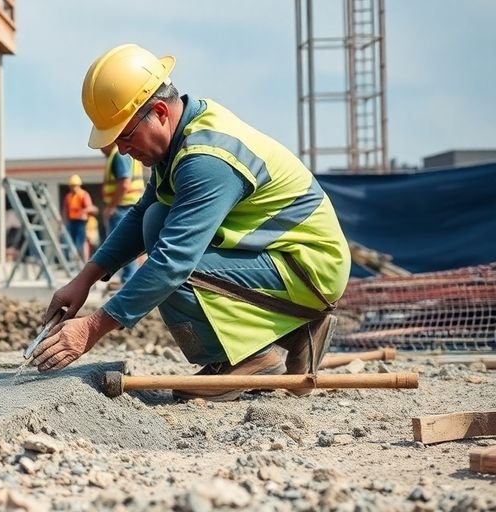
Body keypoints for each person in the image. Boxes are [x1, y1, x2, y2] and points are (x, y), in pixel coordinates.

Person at [31, 44, 350, 402]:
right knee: (154, 219)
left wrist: (92, 328)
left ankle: (248, 358)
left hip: (309, 267)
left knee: (166, 255)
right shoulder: (182, 136)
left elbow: (173, 263)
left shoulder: (206, 159)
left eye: (125, 136)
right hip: (287, 262)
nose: (122, 150)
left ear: (161, 112)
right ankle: (295, 333)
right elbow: (142, 213)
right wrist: (84, 279)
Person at [100, 144, 145, 283]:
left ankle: (128, 281)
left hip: (123, 207)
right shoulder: (121, 154)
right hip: (128, 206)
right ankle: (129, 280)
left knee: (124, 247)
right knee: (129, 247)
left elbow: (124, 182)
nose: (100, 150)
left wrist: (111, 206)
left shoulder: (119, 154)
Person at [61, 174, 96, 258]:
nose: (73, 188)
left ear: (79, 186)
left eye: (75, 186)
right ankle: (72, 258)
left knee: (80, 242)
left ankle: (80, 259)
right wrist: (63, 220)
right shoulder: (68, 196)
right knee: (71, 241)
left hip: (81, 222)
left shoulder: (83, 195)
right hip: (71, 221)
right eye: (72, 186)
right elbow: (66, 209)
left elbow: (90, 208)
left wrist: (82, 211)